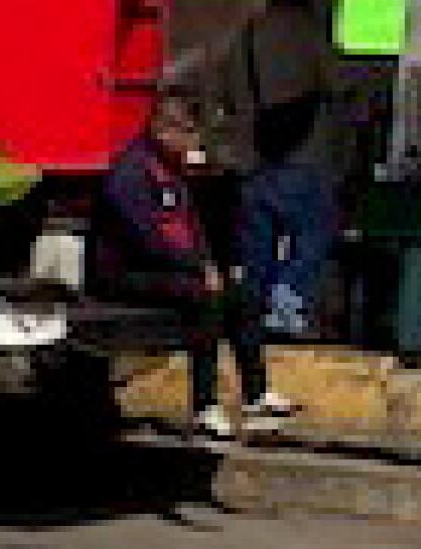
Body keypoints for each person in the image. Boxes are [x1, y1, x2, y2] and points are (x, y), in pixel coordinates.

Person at [91, 91, 289, 440]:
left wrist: (213, 263)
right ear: (163, 130)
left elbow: (191, 227)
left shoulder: (173, 174)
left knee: (241, 296)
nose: (192, 142)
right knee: (203, 299)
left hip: (174, 267)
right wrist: (196, 268)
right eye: (187, 133)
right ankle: (204, 404)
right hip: (127, 273)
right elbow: (145, 239)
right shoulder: (130, 174)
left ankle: (256, 394)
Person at [224, 0, 341, 338]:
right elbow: (336, 84)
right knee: (314, 229)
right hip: (302, 155)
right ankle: (288, 296)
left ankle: (252, 312)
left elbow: (229, 93)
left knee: (257, 241)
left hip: (253, 156)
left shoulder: (247, 34)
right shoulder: (308, 31)